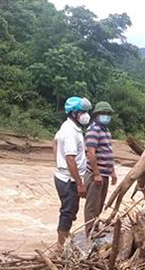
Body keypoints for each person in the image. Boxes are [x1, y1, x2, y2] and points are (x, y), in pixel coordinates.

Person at [53, 96, 92, 249]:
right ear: (74, 113)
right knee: (68, 212)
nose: (86, 115)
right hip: (68, 179)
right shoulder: (69, 131)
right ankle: (59, 247)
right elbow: (70, 159)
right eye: (83, 112)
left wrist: (57, 160)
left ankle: (62, 241)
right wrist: (80, 183)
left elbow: (54, 142)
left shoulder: (70, 128)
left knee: (69, 211)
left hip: (66, 176)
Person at [84, 101, 118, 236]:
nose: (106, 116)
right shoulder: (93, 130)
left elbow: (108, 152)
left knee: (99, 203)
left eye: (108, 114)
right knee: (92, 205)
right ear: (97, 115)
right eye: (104, 113)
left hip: (104, 174)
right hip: (95, 175)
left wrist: (112, 172)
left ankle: (96, 228)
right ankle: (90, 231)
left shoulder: (106, 130)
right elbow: (91, 153)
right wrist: (96, 174)